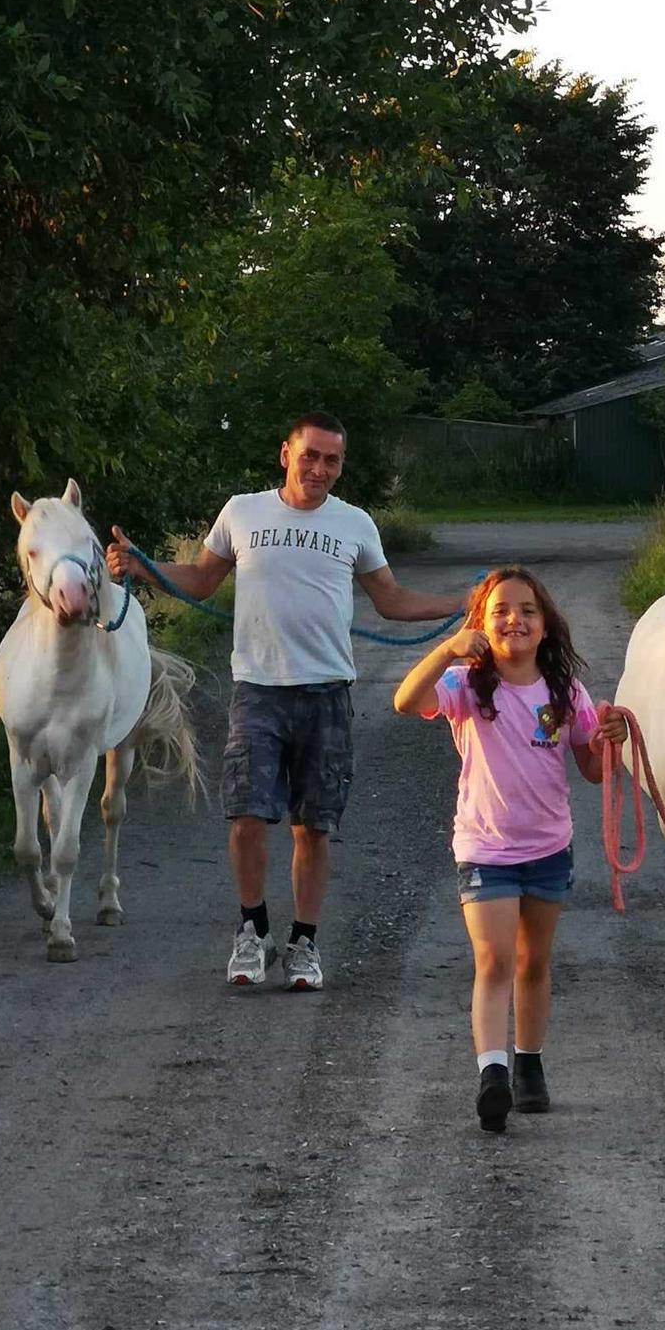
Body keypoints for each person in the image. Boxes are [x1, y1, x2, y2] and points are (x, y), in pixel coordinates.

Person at [106, 412, 464, 992]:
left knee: (312, 828)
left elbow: (392, 601)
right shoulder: (242, 511)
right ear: (285, 454)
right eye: (310, 456)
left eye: (332, 460)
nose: (320, 468)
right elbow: (199, 581)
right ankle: (252, 931)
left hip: (326, 692)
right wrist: (142, 566)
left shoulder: (355, 524)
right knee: (246, 817)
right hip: (257, 691)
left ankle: (303, 943)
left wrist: (464, 603)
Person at [393, 566, 629, 1132]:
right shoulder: (465, 686)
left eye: (527, 610)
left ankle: (529, 1063)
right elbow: (405, 701)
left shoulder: (565, 692)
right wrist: (448, 647)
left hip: (549, 848)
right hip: (486, 848)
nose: (514, 619)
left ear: (545, 627)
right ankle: (492, 1073)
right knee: (494, 959)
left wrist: (609, 739)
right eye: (499, 610)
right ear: (481, 624)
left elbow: (593, 771)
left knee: (533, 961)